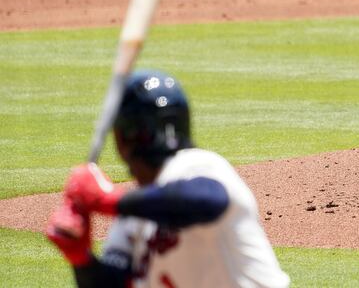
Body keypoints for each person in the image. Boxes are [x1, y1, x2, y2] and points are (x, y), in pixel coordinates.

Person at [46, 70, 290, 288]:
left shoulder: (199, 166)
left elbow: (206, 200)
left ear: (122, 140)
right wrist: (80, 258)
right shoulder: (135, 213)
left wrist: (107, 200)